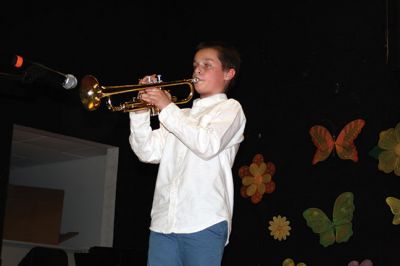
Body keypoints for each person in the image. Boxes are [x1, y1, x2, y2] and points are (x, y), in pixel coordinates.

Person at [128, 41, 246, 266]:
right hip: (163, 224)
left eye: (207, 65)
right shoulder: (180, 114)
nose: (197, 70)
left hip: (204, 221)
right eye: (195, 65)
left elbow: (207, 144)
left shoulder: (231, 109)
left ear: (228, 73)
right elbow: (148, 152)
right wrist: (140, 111)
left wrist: (166, 107)